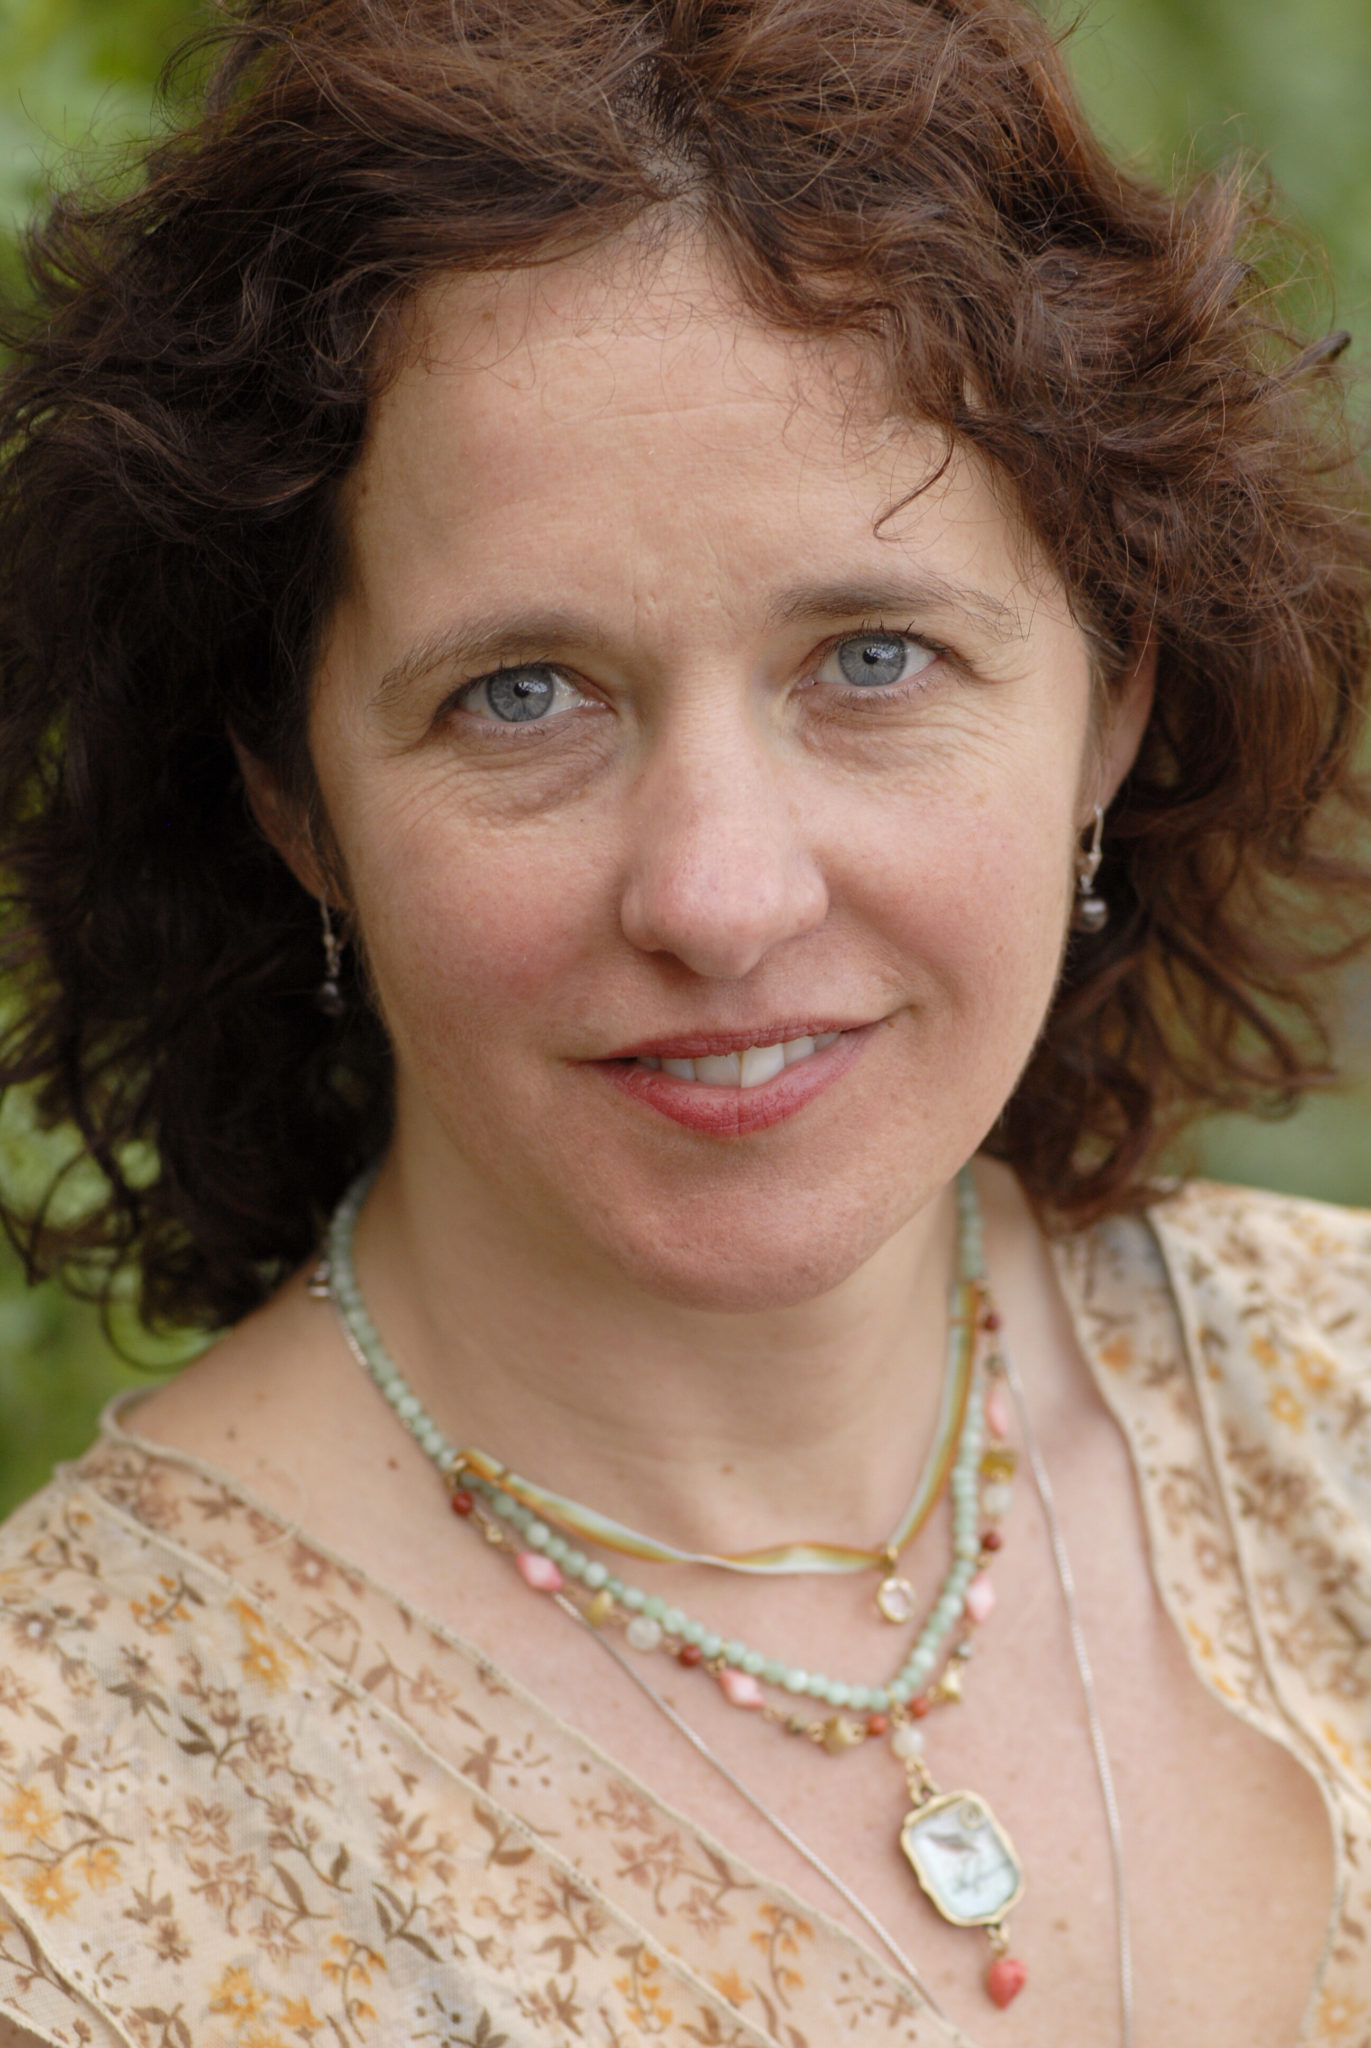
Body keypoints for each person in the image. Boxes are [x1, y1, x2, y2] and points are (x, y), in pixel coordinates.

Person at [0, 0, 1368, 2042]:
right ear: (294, 801)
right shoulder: (61, 1836)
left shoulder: (1345, 1396)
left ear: (1111, 700)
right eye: (521, 695)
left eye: (872, 658)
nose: (721, 898)